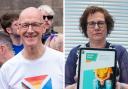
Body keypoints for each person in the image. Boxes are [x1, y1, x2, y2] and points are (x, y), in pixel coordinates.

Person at [0, 7, 64, 89]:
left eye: (35, 24)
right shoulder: (7, 69)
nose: (30, 30)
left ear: (44, 28)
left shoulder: (61, 61)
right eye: (25, 25)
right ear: (19, 29)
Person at [65, 6, 128, 88]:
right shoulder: (75, 52)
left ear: (107, 26)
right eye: (91, 23)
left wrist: (120, 86)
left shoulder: (120, 51)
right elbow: (65, 85)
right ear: (85, 28)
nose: (96, 27)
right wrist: (76, 86)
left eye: (101, 23)